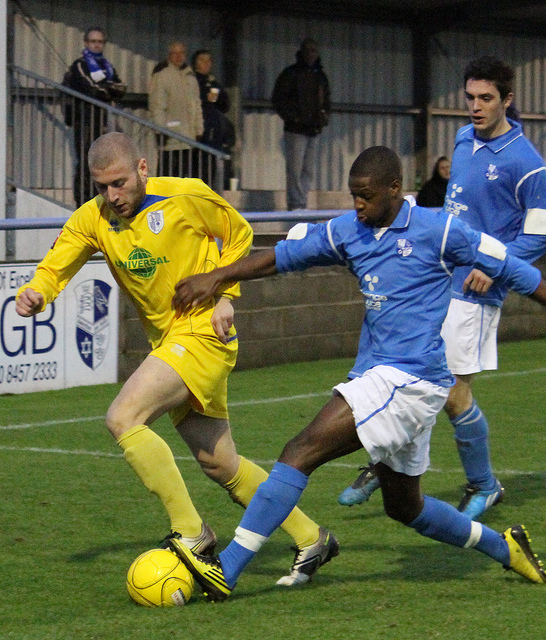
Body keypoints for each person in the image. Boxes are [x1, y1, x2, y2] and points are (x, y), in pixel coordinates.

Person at [166, 146, 546, 601]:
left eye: (366, 196)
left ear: (395, 188)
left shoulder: (441, 230)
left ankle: (226, 568)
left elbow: (517, 273)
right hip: (390, 380)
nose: (358, 205)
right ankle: (503, 546)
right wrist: (218, 276)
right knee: (405, 507)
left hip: (409, 380)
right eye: (353, 195)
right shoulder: (349, 230)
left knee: (299, 451)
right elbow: (281, 256)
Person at [14, 131, 337, 587]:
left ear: (142, 169)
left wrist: (225, 294)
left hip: (203, 334)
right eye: (102, 186)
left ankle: (191, 532)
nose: (112, 195)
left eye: (120, 183)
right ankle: (311, 537)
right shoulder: (93, 218)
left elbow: (239, 233)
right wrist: (36, 292)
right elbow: (56, 265)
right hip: (169, 342)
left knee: (123, 417)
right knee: (220, 464)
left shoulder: (185, 196)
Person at [338, 57, 546, 519]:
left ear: (507, 100)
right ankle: (385, 463)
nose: (476, 107)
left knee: (451, 391)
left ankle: (483, 484)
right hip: (437, 278)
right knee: (408, 373)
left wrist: (497, 265)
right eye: (470, 98)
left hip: (476, 290)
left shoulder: (526, 163)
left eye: (486, 98)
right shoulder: (463, 140)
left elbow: (545, 230)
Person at [63, 26, 126, 207]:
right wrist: (108, 90)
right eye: (93, 41)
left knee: (103, 163)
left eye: (100, 42)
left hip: (103, 122)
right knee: (86, 162)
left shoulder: (107, 66)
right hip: (85, 121)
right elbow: (91, 89)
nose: (97, 45)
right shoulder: (80, 65)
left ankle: (100, 199)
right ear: (86, 43)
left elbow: (121, 88)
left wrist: (106, 90)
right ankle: (83, 203)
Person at [272, 38, 331, 210]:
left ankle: (302, 202)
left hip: (314, 129)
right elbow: (278, 99)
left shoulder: (320, 76)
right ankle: (295, 203)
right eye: (308, 50)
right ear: (302, 52)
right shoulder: (291, 73)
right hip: (296, 129)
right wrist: (293, 118)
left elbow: (326, 99)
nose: (311, 54)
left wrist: (324, 116)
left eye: (314, 50)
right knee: (295, 170)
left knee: (308, 170)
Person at [149, 42, 203, 178]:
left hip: (188, 138)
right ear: (169, 56)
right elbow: (157, 106)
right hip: (170, 138)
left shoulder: (191, 77)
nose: (179, 56)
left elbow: (196, 105)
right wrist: (160, 130)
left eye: (182, 53)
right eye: (175, 53)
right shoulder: (162, 76)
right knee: (167, 177)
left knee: (184, 179)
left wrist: (199, 129)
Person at [190, 49, 234, 187]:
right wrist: (205, 99)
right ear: (195, 63)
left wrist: (218, 97)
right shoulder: (192, 81)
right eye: (202, 60)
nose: (206, 63)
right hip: (198, 133)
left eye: (209, 60)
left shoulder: (213, 82)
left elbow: (225, 105)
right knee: (198, 170)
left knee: (210, 171)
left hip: (214, 133)